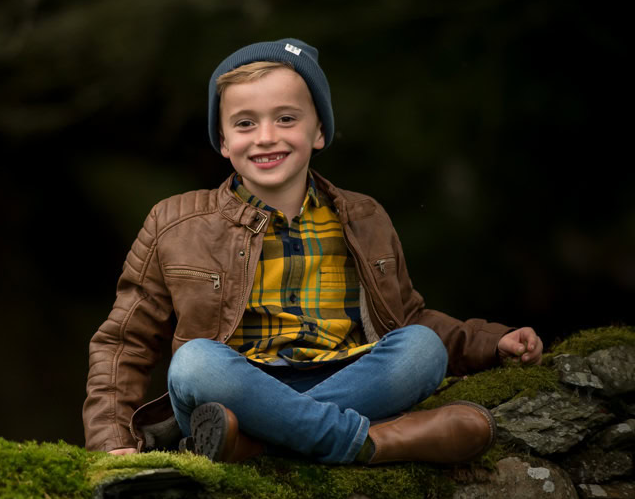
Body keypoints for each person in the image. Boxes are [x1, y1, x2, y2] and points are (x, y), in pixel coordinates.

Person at [83, 38, 543, 465]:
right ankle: (369, 442)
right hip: (237, 389)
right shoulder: (175, 222)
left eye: (286, 118)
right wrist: (114, 443)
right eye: (245, 123)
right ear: (223, 141)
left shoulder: (364, 216)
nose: (266, 136)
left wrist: (489, 342)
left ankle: (260, 445)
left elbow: (408, 316)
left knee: (421, 350)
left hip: (351, 380)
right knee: (195, 363)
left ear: (319, 131)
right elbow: (124, 341)